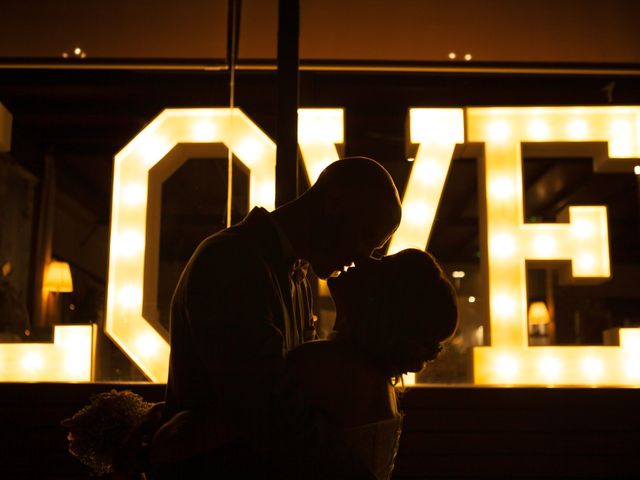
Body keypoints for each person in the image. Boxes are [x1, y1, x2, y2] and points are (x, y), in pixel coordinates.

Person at [161, 157, 402, 479]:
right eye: (366, 237)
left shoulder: (287, 271)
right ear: (333, 205)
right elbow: (264, 408)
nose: (361, 258)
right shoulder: (231, 262)